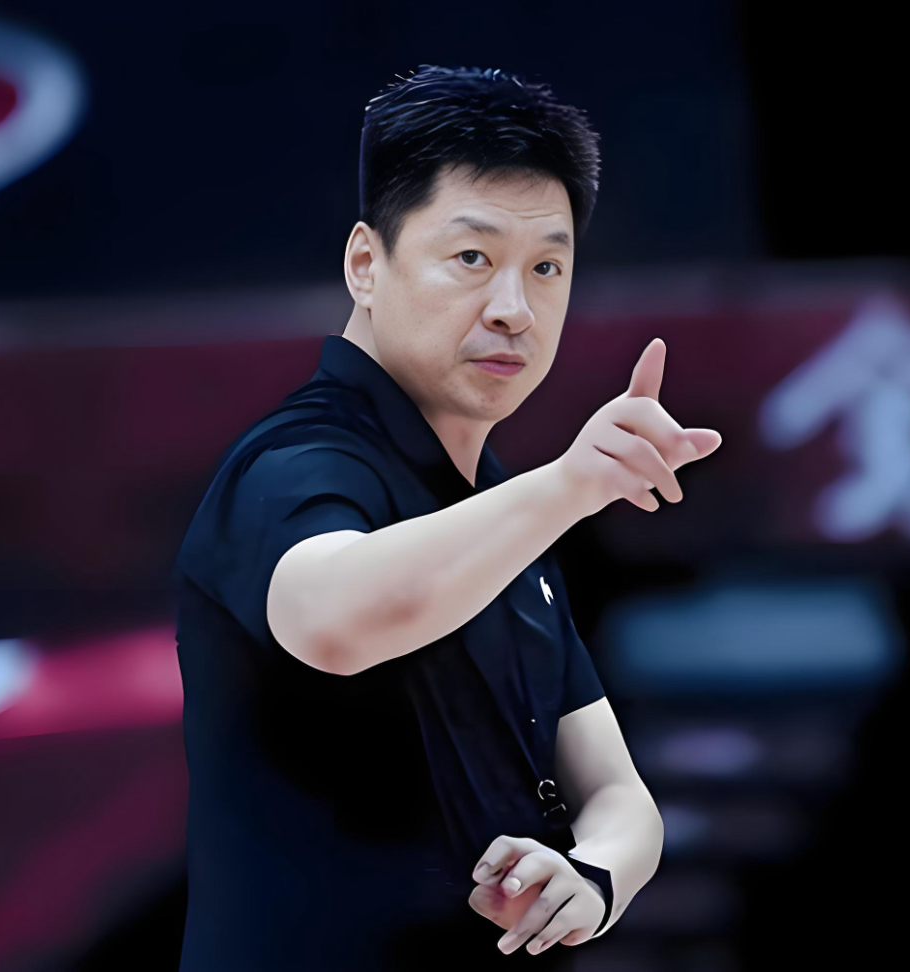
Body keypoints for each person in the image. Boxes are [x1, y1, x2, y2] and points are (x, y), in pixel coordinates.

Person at [171, 63, 721, 971]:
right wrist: (570, 486)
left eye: (546, 267)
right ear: (365, 264)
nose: (513, 310)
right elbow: (335, 619)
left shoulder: (499, 511)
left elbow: (619, 796)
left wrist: (592, 877)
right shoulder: (293, 462)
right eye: (472, 258)